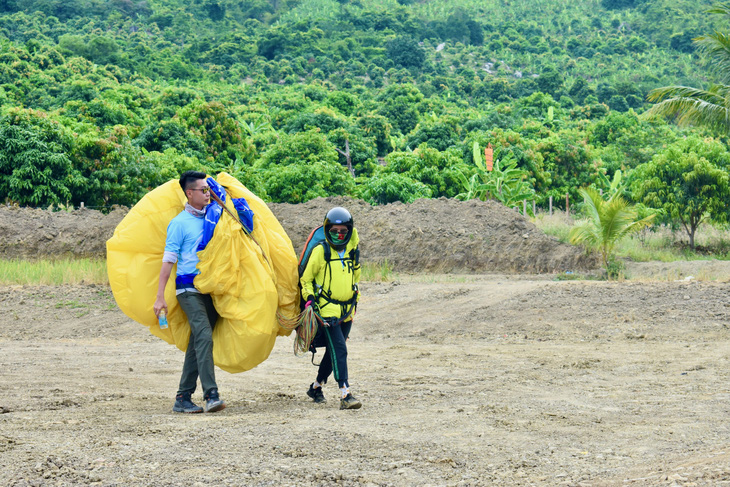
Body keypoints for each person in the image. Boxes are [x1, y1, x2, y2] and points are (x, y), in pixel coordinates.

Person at [153, 171, 226, 414]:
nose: (208, 194)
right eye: (203, 190)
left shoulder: (215, 218)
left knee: (197, 342)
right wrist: (160, 296)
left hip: (210, 290)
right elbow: (168, 261)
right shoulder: (179, 223)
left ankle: (183, 397)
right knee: (204, 336)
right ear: (189, 193)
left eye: (209, 190)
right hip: (188, 290)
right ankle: (211, 394)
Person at [301, 207, 362, 410]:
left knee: (333, 351)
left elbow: (355, 278)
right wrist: (309, 299)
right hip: (326, 311)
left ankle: (316, 387)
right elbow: (306, 279)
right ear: (328, 230)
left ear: (350, 231)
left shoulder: (353, 252)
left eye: (343, 231)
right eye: (334, 231)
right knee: (340, 349)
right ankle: (345, 394)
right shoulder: (321, 251)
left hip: (347, 310)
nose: (339, 235)